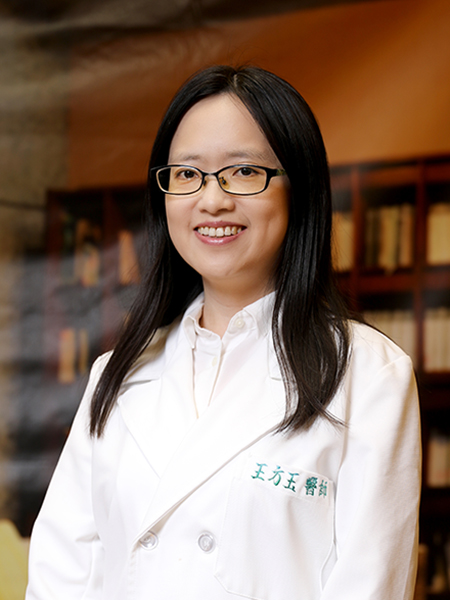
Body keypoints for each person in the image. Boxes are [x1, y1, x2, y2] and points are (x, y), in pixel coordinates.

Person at [26, 65, 421, 600]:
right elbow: (61, 573)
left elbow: (369, 585)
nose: (212, 200)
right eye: (187, 174)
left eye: (244, 171)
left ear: (300, 190)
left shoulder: (369, 375)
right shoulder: (115, 374)